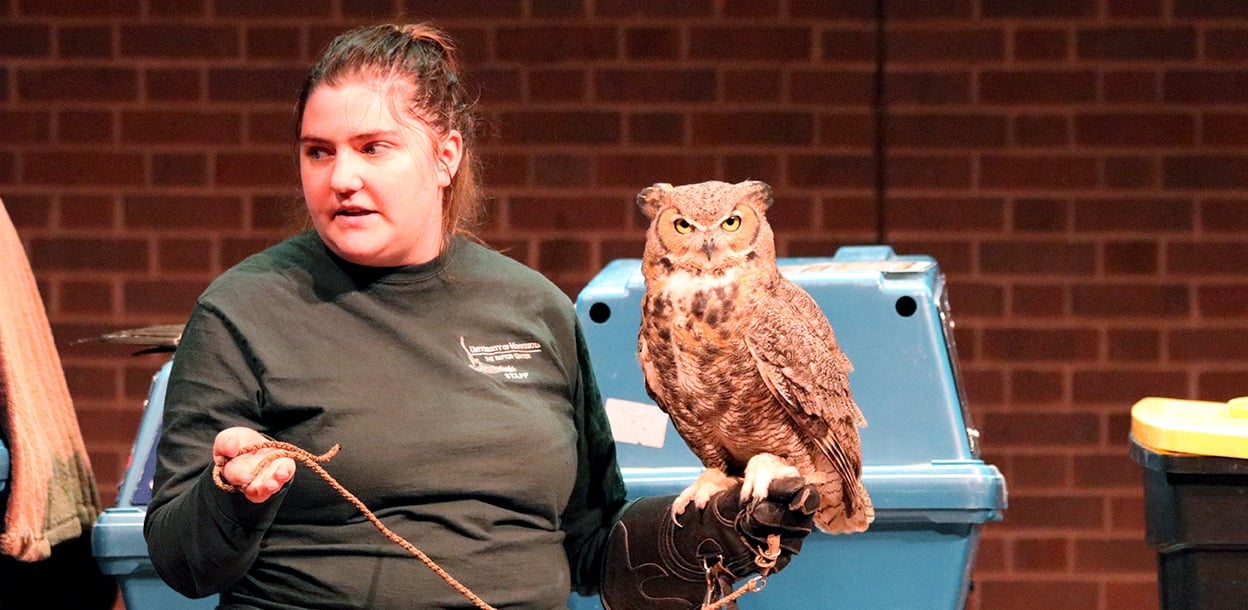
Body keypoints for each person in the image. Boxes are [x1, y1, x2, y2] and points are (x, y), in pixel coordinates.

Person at [142, 22, 816, 610]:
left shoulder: (533, 308)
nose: (340, 176)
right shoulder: (246, 309)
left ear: (446, 156)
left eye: (373, 147)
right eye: (318, 151)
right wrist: (231, 494)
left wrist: (697, 533)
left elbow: (586, 544)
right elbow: (182, 564)